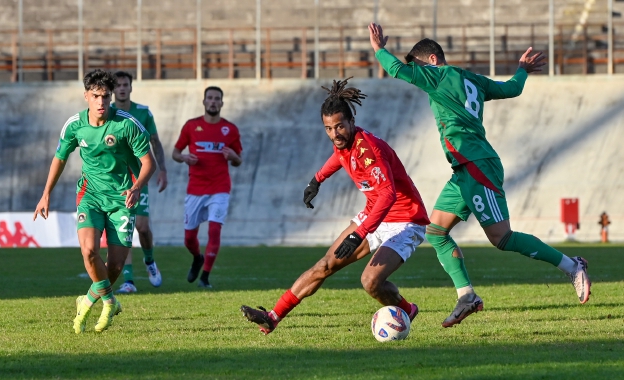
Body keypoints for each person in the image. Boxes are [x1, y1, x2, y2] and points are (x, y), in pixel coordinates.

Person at [368, 23, 591, 328]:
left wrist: (379, 48)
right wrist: (522, 69)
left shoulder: (438, 75)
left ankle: (572, 265)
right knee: (435, 231)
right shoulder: (472, 79)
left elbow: (396, 69)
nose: (417, 72)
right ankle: (467, 296)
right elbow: (512, 88)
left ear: (432, 59)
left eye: (418, 65)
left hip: (477, 165)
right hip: (464, 169)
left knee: (502, 238)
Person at [241, 77, 430, 335]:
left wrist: (359, 233)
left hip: (406, 220)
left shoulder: (368, 150)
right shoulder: (343, 144)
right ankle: (273, 316)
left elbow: (388, 195)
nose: (334, 134)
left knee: (370, 282)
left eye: (339, 127)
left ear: (352, 122)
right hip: (375, 215)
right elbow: (338, 158)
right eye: (328, 128)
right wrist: (316, 180)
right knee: (325, 265)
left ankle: (406, 309)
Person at [33, 69, 156, 333]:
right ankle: (109, 301)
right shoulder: (75, 125)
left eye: (106, 97)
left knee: (115, 267)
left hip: (122, 198)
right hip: (90, 196)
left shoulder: (126, 124)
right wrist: (46, 193)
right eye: (96, 96)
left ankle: (87, 299)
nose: (102, 102)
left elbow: (149, 163)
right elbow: (60, 158)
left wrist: (136, 187)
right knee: (89, 251)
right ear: (86, 96)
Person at [172, 86, 242, 288]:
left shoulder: (230, 129)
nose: (213, 102)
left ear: (222, 103)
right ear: (204, 102)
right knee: (188, 238)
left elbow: (239, 160)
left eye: (217, 99)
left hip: (220, 188)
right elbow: (176, 153)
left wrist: (233, 157)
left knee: (214, 231)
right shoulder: (191, 126)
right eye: (209, 98)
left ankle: (205, 278)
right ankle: (197, 257)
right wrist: (184, 157)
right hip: (195, 188)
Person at [111, 71, 168, 294]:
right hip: (116, 179)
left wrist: (162, 169)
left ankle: (150, 260)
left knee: (142, 228)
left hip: (138, 176)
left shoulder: (143, 113)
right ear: (113, 89)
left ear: (131, 87)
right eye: (118, 85)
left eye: (126, 84)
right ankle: (129, 281)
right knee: (124, 228)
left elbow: (155, 141)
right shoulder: (107, 113)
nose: (122, 88)